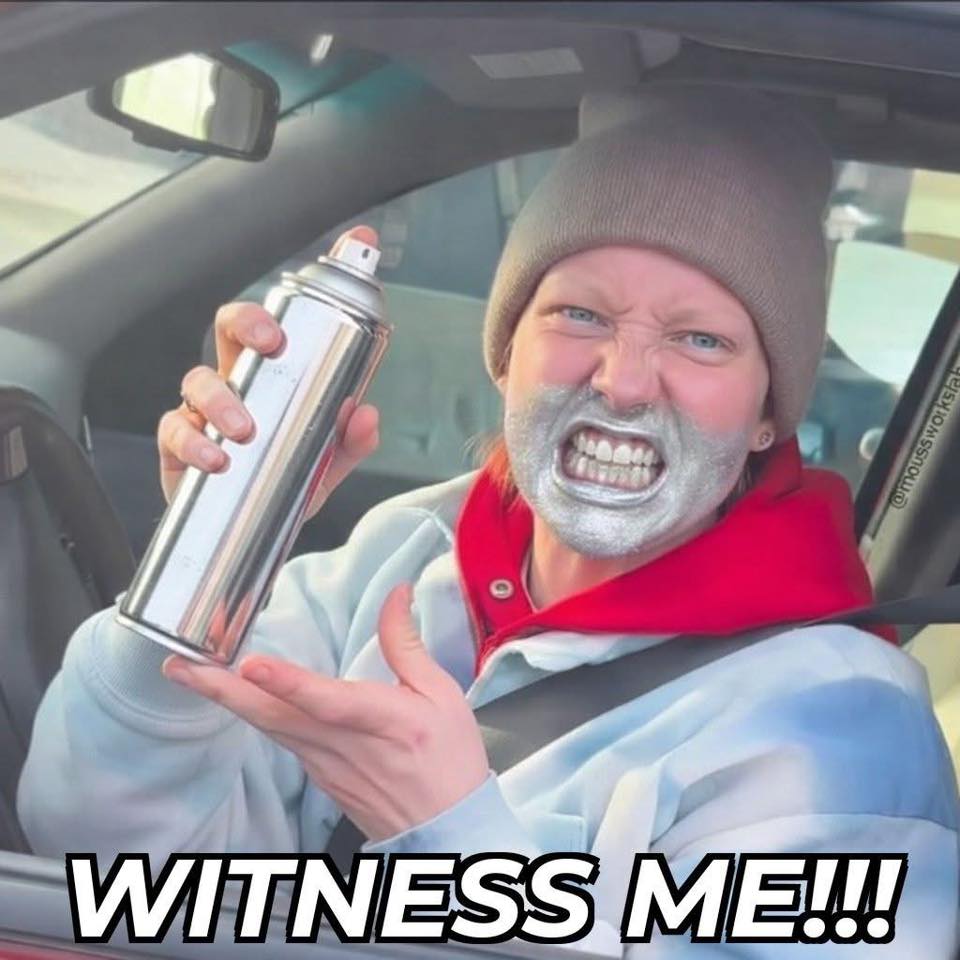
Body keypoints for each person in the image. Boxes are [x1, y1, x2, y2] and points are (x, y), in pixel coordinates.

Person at [18, 87, 960, 955]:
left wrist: (455, 851)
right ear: (506, 354)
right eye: (580, 315)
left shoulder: (838, 722)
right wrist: (203, 560)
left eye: (701, 339)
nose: (624, 381)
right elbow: (113, 866)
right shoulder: (402, 554)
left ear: (767, 415)